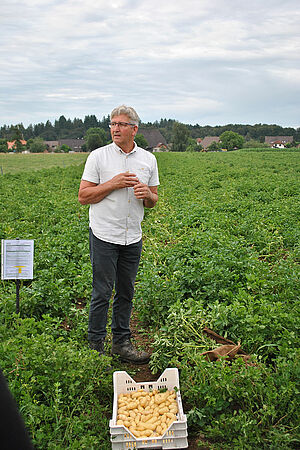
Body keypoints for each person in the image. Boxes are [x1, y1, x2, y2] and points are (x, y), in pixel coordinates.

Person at [78, 105, 159, 364]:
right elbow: (83, 196)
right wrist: (113, 183)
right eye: (112, 123)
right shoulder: (98, 157)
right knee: (102, 291)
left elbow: (154, 199)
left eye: (121, 124)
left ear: (134, 129)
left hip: (132, 236)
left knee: (126, 291)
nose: (115, 128)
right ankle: (95, 346)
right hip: (104, 235)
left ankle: (122, 343)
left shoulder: (148, 160)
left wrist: (147, 195)